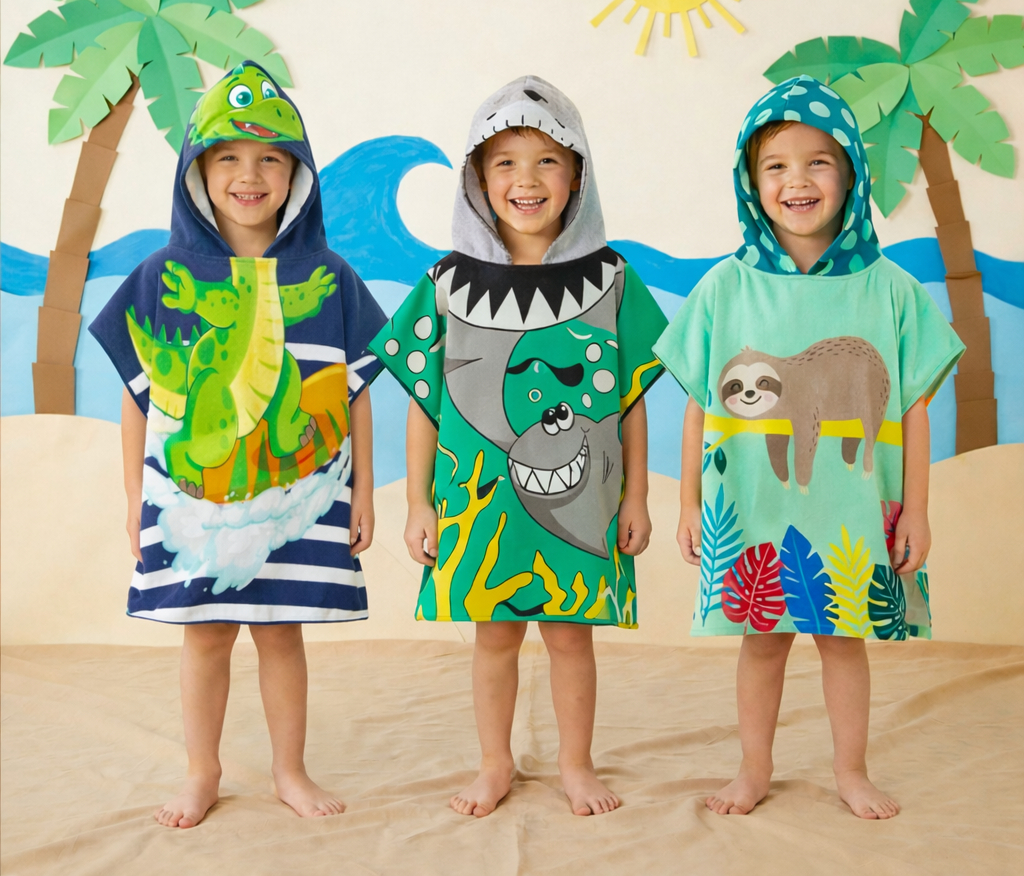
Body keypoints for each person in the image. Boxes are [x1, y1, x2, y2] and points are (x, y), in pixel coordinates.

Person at [654, 76, 964, 819]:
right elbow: (699, 404)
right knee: (760, 642)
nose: (797, 181)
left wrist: (917, 511)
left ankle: (850, 770)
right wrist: (691, 502)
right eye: (776, 165)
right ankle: (752, 769)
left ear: (852, 174)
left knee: (843, 642)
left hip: (851, 509)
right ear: (750, 181)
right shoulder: (724, 288)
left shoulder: (890, 289)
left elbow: (914, 406)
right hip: (754, 508)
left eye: (819, 162)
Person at [89, 62, 386, 827]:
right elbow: (139, 395)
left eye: (270, 159)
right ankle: (203, 770)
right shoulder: (162, 276)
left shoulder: (329, 276)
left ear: (297, 174)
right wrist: (135, 496)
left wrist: (363, 489)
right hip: (197, 500)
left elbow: (355, 389)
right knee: (206, 636)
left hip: (301, 494)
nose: (249, 176)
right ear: (197, 170)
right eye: (227, 157)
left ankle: (290, 770)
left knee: (283, 632)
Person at [370, 76, 667, 817]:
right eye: (505, 162)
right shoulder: (446, 284)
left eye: (547, 161)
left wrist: (636, 495)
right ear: (476, 177)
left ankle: (575, 764)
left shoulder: (612, 280)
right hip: (482, 509)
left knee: (571, 639)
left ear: (577, 176)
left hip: (581, 507)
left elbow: (630, 398)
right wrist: (417, 504)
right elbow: (424, 404)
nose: (526, 180)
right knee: (494, 640)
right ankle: (494, 763)